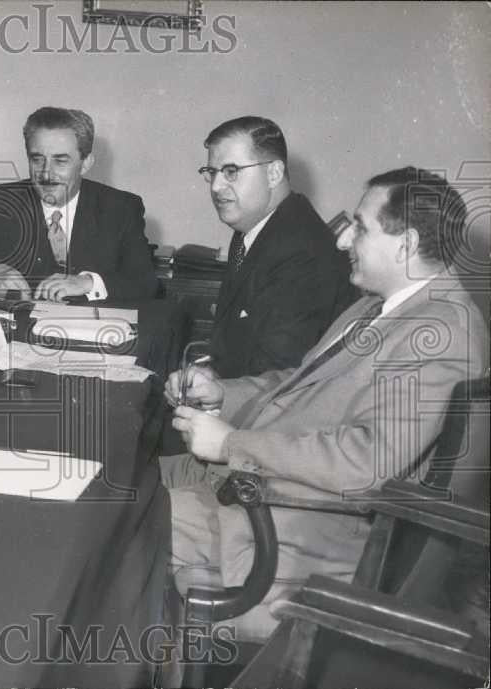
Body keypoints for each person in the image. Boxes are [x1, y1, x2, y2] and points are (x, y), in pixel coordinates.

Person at [161, 167, 489, 638]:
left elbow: (368, 462)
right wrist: (224, 394)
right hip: (263, 488)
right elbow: (301, 383)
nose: (342, 240)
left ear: (407, 244)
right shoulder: (377, 306)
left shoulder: (443, 335)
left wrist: (232, 444)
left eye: (360, 227)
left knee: (113, 518)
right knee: (115, 475)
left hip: (294, 527)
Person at [200, 116, 356, 378]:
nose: (216, 186)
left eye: (231, 171)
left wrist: (214, 382)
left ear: (273, 173)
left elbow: (277, 374)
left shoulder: (303, 253)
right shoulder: (255, 228)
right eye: (212, 172)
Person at [0, 107, 157, 302]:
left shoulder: (121, 208)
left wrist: (87, 283)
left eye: (60, 161)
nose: (46, 173)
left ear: (86, 163)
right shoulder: (4, 200)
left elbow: (146, 283)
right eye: (37, 159)